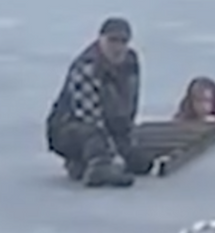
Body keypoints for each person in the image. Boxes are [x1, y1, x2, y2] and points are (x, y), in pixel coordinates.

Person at [45, 16, 144, 186]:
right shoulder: (87, 68)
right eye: (112, 40)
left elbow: (131, 102)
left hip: (111, 123)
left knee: (140, 162)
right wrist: (114, 156)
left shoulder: (131, 62)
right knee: (93, 137)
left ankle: (82, 164)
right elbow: (90, 118)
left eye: (123, 41)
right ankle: (98, 167)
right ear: (101, 40)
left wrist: (127, 141)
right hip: (70, 128)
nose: (118, 47)